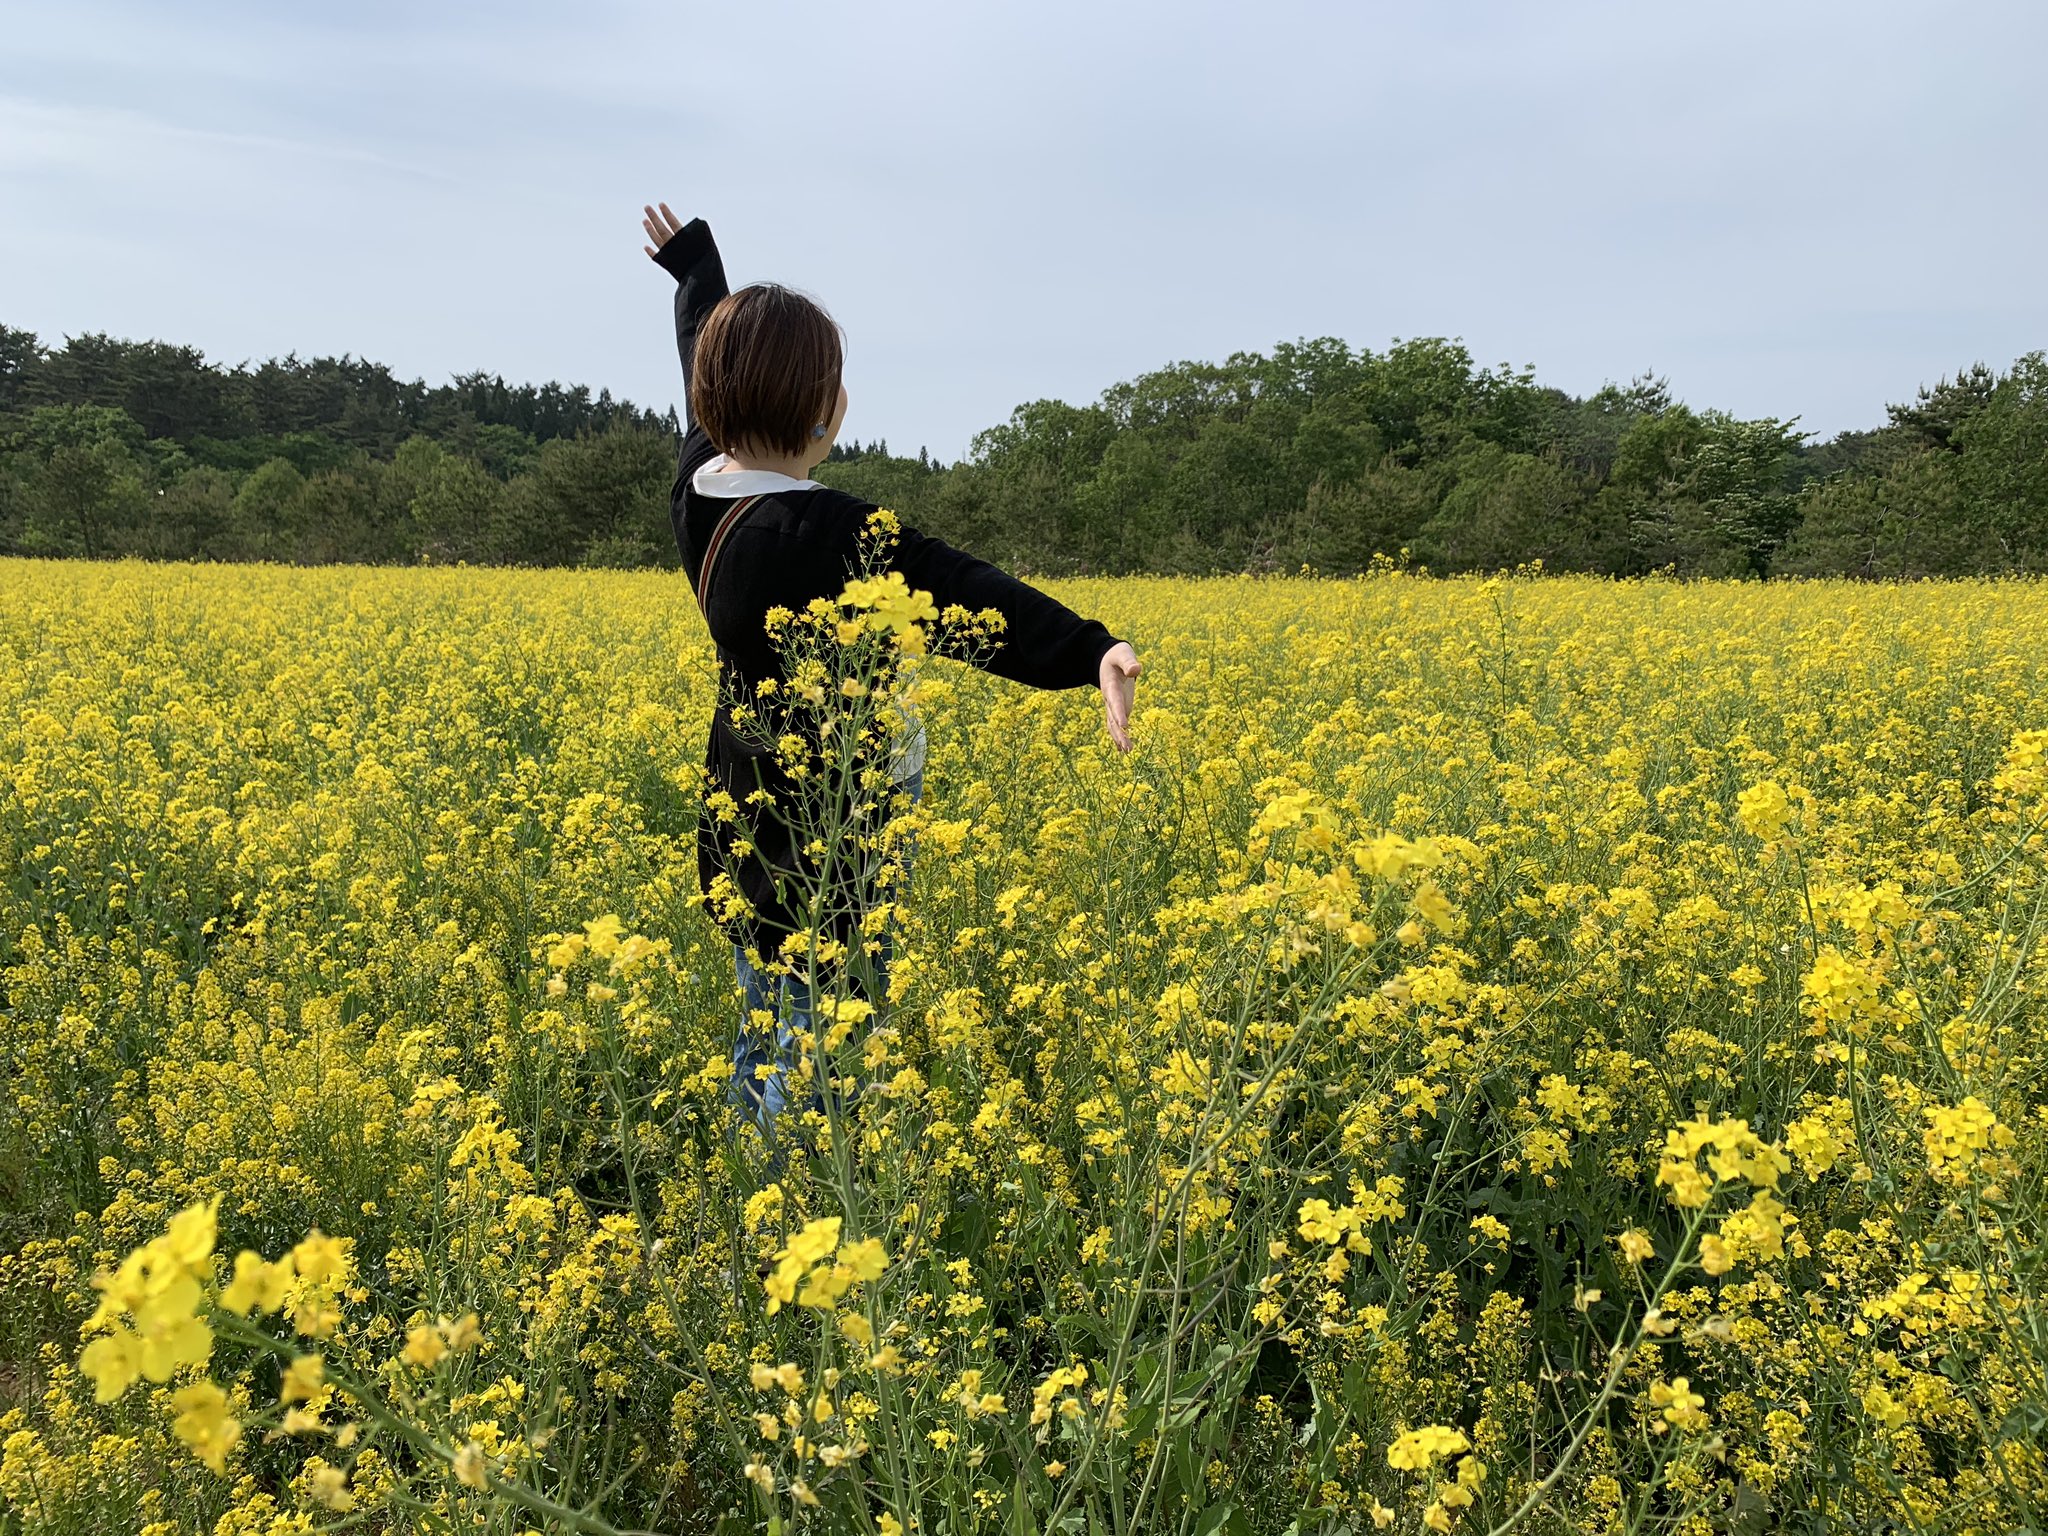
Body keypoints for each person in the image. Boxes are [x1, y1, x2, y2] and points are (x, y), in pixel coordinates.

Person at [640, 201, 1142, 1147]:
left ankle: (754, 1155)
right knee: (824, 1040)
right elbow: (963, 592)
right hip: (835, 845)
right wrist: (1089, 648)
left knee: (764, 1000)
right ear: (826, 411)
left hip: (743, 816)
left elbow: (700, 377)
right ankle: (800, 1198)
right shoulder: (826, 533)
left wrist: (695, 274)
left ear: (711, 408)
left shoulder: (698, 489)